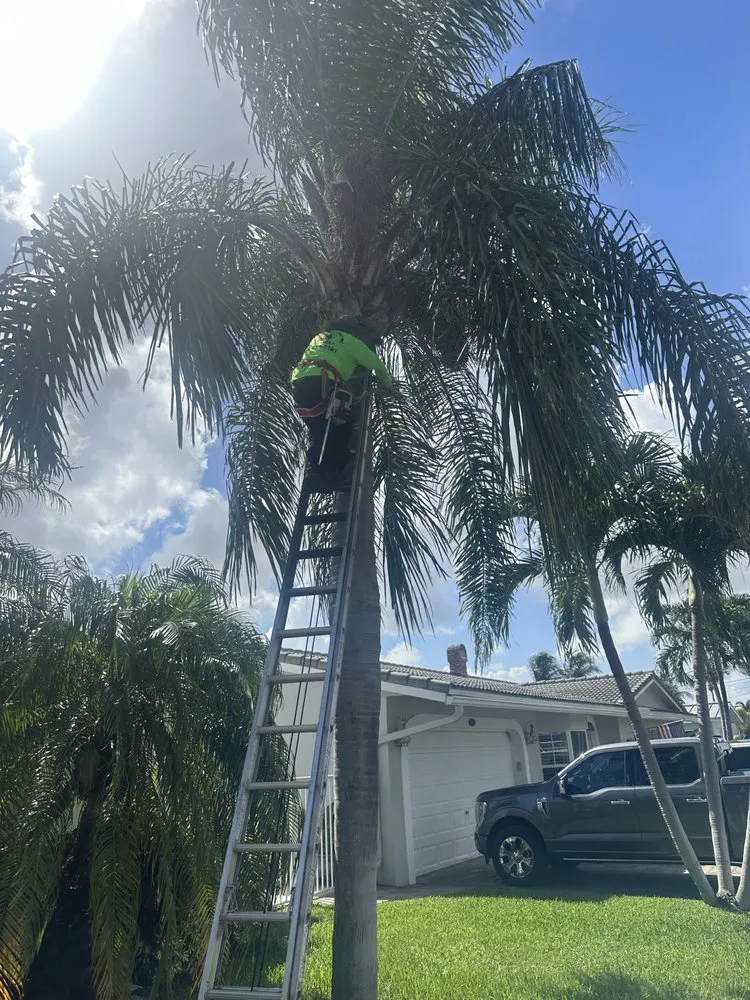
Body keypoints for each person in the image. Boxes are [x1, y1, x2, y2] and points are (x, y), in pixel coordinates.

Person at [291, 320, 393, 486]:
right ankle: (333, 476)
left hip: (300, 383)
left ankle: (314, 473)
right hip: (324, 382)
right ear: (352, 332)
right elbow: (376, 364)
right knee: (341, 427)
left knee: (317, 430)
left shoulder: (318, 338)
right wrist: (387, 385)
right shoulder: (350, 341)